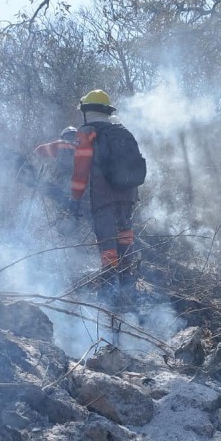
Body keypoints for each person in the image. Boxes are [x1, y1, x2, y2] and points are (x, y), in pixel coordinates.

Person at [69, 90, 140, 300]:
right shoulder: (122, 132)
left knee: (107, 237)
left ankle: (109, 289)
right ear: (107, 111)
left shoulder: (88, 131)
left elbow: (81, 171)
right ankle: (128, 283)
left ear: (86, 110)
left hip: (104, 195)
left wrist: (75, 198)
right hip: (128, 194)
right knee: (124, 234)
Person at [33, 126, 77, 199]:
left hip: (64, 183)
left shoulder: (60, 145)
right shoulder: (84, 147)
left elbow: (39, 150)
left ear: (63, 136)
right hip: (82, 185)